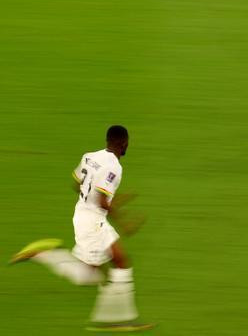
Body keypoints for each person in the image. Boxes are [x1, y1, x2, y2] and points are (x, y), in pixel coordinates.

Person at [10, 125, 153, 332]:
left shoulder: (89, 156)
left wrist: (114, 199)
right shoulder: (114, 167)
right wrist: (125, 223)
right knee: (88, 276)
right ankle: (42, 254)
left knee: (119, 263)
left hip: (85, 216)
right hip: (93, 223)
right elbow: (102, 201)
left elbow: (78, 186)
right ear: (124, 144)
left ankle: (116, 318)